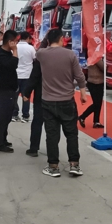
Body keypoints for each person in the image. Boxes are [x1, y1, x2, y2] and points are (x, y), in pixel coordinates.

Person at [37, 28, 88, 177]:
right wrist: (83, 94)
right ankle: (74, 165)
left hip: (48, 101)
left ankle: (53, 167)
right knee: (71, 133)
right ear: (61, 39)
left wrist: (45, 40)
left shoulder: (42, 54)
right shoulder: (70, 54)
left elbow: (39, 49)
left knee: (52, 135)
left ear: (48, 40)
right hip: (67, 101)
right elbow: (79, 77)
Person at [25, 38, 48, 157]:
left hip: (41, 95)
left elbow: (34, 77)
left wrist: (26, 93)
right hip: (56, 96)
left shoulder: (40, 59)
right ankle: (52, 149)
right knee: (53, 125)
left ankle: (34, 148)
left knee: (37, 122)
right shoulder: (63, 56)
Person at [13, 31, 36, 123]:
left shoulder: (15, 47)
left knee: (14, 95)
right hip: (27, 75)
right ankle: (25, 115)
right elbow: (35, 60)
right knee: (26, 95)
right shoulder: (31, 48)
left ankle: (14, 114)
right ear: (27, 38)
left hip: (16, 74)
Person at [78, 60, 104, 129]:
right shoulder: (96, 58)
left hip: (94, 81)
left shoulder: (92, 58)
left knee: (98, 103)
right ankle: (82, 116)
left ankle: (96, 121)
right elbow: (104, 68)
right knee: (97, 104)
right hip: (96, 82)